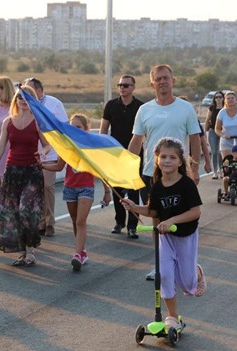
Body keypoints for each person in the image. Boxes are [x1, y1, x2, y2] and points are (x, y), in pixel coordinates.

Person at [121, 137, 205, 330]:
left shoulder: (186, 184)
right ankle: (172, 318)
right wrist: (134, 207)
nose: (167, 160)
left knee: (188, 285)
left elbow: (195, 212)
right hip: (165, 239)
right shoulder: (157, 185)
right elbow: (154, 212)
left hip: (185, 236)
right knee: (165, 276)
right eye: (163, 156)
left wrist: (171, 221)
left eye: (172, 157)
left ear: (180, 161)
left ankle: (197, 272)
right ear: (157, 159)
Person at [128, 64, 201, 281]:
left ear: (173, 80)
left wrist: (194, 169)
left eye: (166, 78)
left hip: (180, 175)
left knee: (181, 221)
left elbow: (195, 138)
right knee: (157, 219)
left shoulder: (185, 108)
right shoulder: (145, 110)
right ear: (152, 83)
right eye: (158, 79)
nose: (162, 81)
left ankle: (183, 263)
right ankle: (160, 265)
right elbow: (136, 141)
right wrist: (127, 167)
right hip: (153, 174)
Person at [0, 85, 51, 266]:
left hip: (32, 172)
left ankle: (31, 250)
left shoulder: (37, 121)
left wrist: (42, 153)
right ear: (16, 100)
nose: (23, 101)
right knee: (12, 213)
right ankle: (22, 252)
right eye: (20, 97)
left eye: (27, 98)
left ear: (33, 101)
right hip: (12, 171)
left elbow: (47, 144)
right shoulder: (8, 122)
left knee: (25, 210)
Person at [42, 114, 111, 271]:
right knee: (75, 222)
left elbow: (100, 171)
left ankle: (77, 254)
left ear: (86, 128)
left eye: (78, 127)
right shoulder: (67, 146)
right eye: (72, 126)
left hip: (86, 188)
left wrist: (107, 192)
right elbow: (59, 166)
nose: (74, 129)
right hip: (70, 188)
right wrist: (42, 165)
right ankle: (82, 251)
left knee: (80, 221)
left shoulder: (91, 145)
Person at [100, 75, 145, 238]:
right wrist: (102, 149)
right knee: (117, 189)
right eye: (120, 85)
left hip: (134, 155)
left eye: (126, 85)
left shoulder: (141, 107)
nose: (122, 88)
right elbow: (103, 129)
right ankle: (119, 222)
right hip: (115, 154)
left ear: (133, 87)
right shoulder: (111, 105)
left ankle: (132, 225)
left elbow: (145, 131)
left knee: (133, 190)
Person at [24, 77, 69, 237]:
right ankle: (40, 221)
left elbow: (63, 125)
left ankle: (49, 222)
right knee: (34, 190)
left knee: (47, 187)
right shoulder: (23, 104)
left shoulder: (53, 103)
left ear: (40, 90)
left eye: (30, 88)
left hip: (50, 153)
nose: (26, 92)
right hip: (29, 154)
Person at [215, 91, 237, 161]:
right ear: (225, 100)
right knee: (227, 162)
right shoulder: (222, 112)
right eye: (228, 98)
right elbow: (217, 129)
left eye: (232, 98)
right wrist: (223, 135)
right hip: (227, 140)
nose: (230, 100)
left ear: (236, 99)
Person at [203, 90, 225, 179]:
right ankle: (215, 172)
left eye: (220, 97)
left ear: (223, 98)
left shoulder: (225, 108)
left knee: (220, 152)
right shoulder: (212, 107)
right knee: (214, 152)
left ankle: (221, 170)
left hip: (222, 131)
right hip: (212, 131)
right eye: (217, 97)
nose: (218, 99)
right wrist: (205, 132)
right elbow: (207, 119)